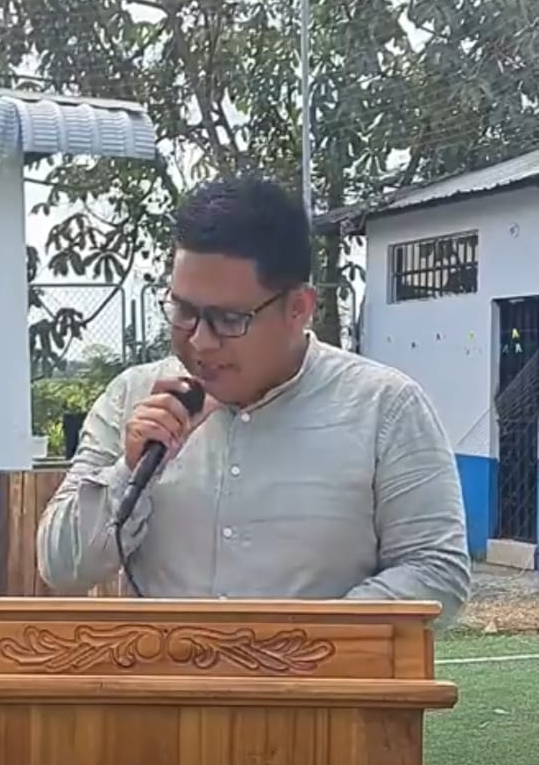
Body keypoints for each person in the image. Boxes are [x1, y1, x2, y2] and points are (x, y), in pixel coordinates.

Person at [37, 176, 471, 623]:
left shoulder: (386, 408)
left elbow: (436, 569)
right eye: (183, 311)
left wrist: (309, 643)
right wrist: (130, 472)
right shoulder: (133, 397)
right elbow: (60, 567)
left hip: (321, 670)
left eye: (229, 319)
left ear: (298, 308)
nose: (200, 341)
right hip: (164, 670)